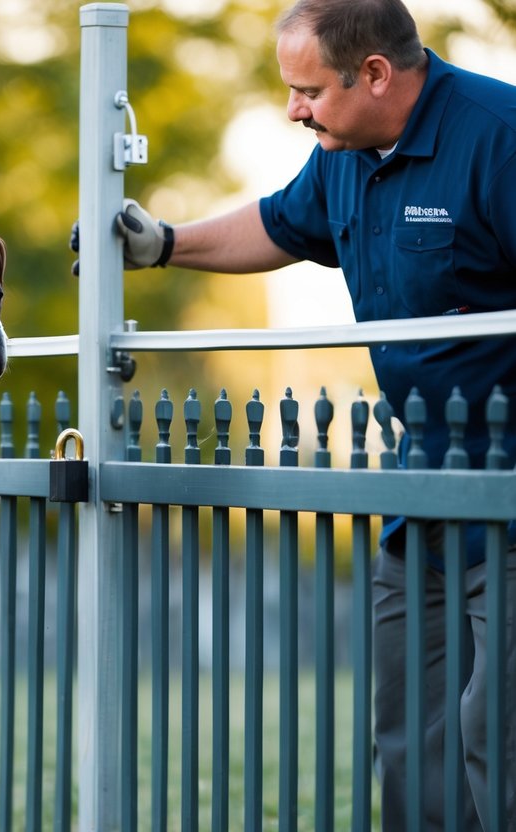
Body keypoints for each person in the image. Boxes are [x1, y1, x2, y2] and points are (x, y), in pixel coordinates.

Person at [80, 0, 516, 827]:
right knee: (409, 735)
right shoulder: (343, 154)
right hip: (419, 497)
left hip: (511, 494)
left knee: (498, 736)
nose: (292, 109)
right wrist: (164, 243)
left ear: (376, 74)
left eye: (306, 90)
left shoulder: (498, 136)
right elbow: (280, 224)